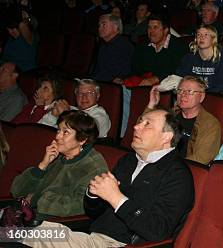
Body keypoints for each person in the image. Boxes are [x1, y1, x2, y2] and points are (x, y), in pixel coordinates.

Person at [23, 108, 194, 247]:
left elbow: (158, 230)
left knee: (26, 235)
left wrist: (116, 198)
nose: (136, 127)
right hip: (93, 237)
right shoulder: (129, 160)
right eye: (139, 121)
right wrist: (93, 193)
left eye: (147, 124)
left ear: (166, 137)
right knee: (20, 230)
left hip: (121, 244)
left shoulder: (177, 175)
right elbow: (93, 212)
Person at [11, 110, 108, 218]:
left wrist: (38, 199)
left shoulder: (93, 167)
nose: (57, 137)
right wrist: (43, 165)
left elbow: (82, 205)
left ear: (82, 139)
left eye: (65, 132)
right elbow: (16, 191)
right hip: (30, 216)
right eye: (58, 130)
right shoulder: (59, 157)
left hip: (58, 225)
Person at [147, 76, 221, 164]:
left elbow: (201, 159)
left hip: (184, 170)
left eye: (189, 91)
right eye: (180, 90)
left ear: (201, 97)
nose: (183, 95)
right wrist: (151, 105)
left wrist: (171, 168)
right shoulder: (170, 115)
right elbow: (143, 134)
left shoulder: (210, 124)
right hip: (159, 164)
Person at [39, 79, 112, 138]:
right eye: (80, 93)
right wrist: (52, 116)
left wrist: (66, 115)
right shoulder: (69, 108)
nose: (84, 97)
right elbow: (40, 128)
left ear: (98, 95)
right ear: (75, 95)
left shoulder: (101, 115)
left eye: (89, 93)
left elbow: (87, 132)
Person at [128, 15, 189, 86]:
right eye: (149, 27)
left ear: (165, 30)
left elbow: (178, 72)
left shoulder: (179, 46)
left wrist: (157, 78)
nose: (151, 31)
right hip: (141, 86)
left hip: (167, 88)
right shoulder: (143, 46)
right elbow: (135, 69)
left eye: (155, 27)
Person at [176, 25, 223, 95]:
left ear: (213, 39)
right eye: (199, 34)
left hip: (215, 96)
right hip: (191, 96)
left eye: (206, 35)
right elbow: (180, 78)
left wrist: (202, 93)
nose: (201, 37)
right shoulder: (189, 58)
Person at [92, 14, 134, 82]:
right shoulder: (103, 45)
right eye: (99, 25)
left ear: (115, 27)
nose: (99, 28)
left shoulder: (124, 46)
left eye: (104, 24)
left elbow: (122, 72)